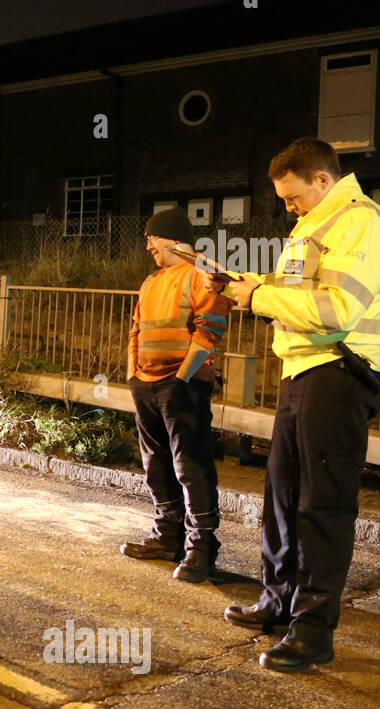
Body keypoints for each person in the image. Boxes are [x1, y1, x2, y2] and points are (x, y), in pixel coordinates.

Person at [205, 138, 380, 673]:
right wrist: (249, 284)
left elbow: (337, 309)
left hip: (339, 371)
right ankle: (278, 603)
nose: (289, 208)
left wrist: (259, 299)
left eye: (294, 197)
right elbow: (297, 290)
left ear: (322, 180)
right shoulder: (316, 223)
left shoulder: (364, 224)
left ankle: (313, 632)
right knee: (282, 496)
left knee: (322, 507)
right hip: (303, 370)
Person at [122, 207, 232, 583]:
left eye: (152, 239)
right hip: (148, 385)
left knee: (191, 466)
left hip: (181, 386)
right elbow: (136, 329)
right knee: (156, 464)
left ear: (169, 238)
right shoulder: (151, 282)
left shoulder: (202, 274)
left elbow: (211, 326)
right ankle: (166, 537)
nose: (148, 246)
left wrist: (183, 376)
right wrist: (133, 373)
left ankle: (202, 549)